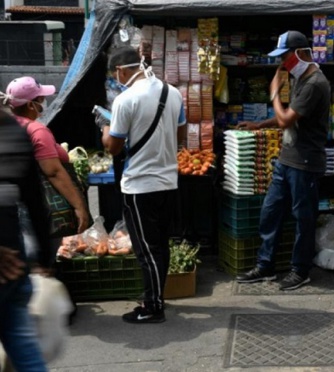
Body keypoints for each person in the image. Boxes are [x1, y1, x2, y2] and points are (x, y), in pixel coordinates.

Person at [234, 30, 331, 291]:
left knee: (303, 217)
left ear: (300, 54)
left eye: (285, 57)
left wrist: (274, 93)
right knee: (271, 211)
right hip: (287, 158)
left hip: (305, 162)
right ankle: (265, 265)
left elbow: (287, 118)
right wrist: (260, 124)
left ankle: (300, 270)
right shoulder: (301, 78)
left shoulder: (314, 84)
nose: (283, 63)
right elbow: (289, 116)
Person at [99, 47, 186, 323]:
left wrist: (104, 128)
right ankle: (157, 297)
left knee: (146, 250)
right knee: (160, 245)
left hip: (139, 186)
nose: (117, 78)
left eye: (116, 74)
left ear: (121, 71)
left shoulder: (125, 100)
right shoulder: (173, 93)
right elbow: (180, 134)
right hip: (168, 181)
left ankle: (153, 307)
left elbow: (113, 148)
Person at [0, 76, 90, 235]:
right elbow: (53, 172)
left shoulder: (7, 126)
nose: (43, 103)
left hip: (10, 205)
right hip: (35, 207)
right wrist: (79, 206)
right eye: (41, 99)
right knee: (37, 255)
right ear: (30, 104)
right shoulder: (37, 131)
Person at [0, 110, 54, 371]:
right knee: (25, 351)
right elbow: (35, 200)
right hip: (15, 262)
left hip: (7, 262)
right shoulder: (13, 128)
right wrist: (45, 255)